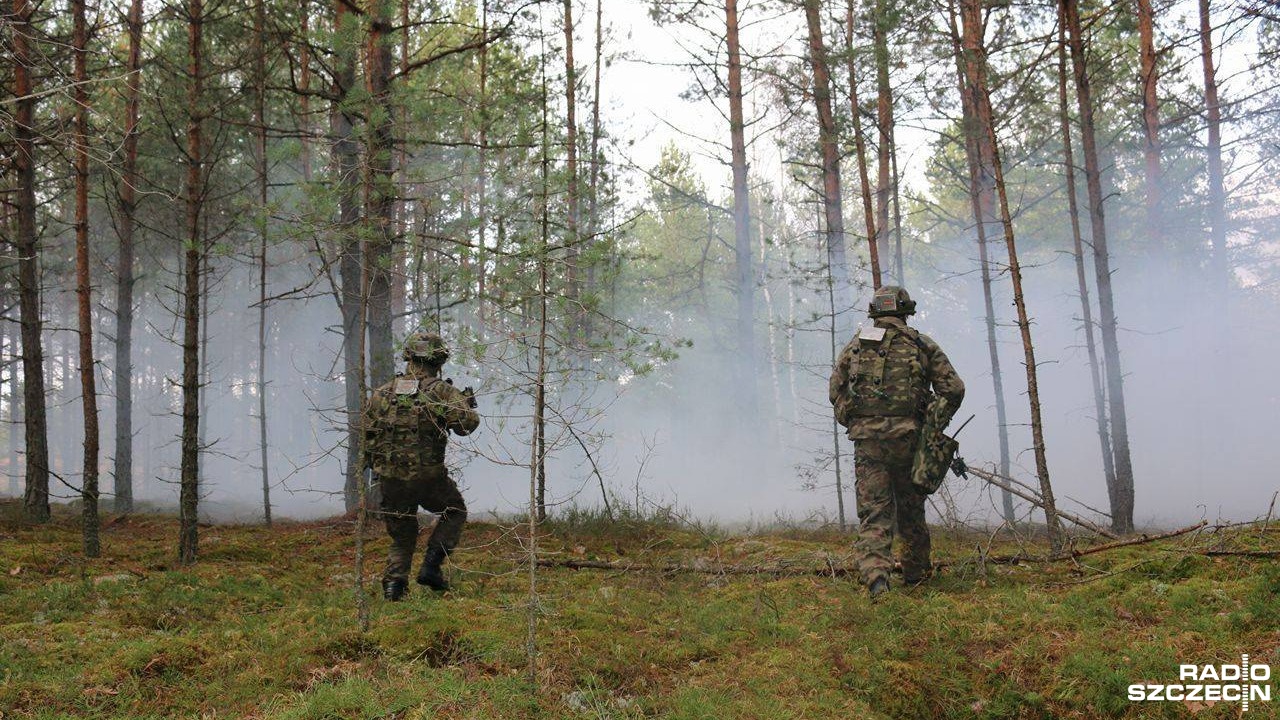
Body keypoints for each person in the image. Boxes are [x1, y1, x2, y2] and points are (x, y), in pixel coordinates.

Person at [829, 286, 964, 599]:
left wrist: (855, 421)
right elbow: (954, 388)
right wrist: (932, 422)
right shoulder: (920, 344)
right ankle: (916, 574)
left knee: (874, 513)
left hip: (868, 443)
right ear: (905, 310)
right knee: (910, 508)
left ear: (875, 311)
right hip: (907, 440)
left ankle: (877, 578)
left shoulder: (856, 345)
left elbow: (836, 391)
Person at [363, 331, 479, 601]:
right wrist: (463, 406)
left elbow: (368, 434)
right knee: (455, 511)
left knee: (402, 535)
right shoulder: (439, 391)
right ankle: (431, 567)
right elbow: (466, 426)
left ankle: (394, 587)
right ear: (438, 361)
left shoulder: (383, 392)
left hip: (391, 478)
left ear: (409, 358)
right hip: (428, 478)